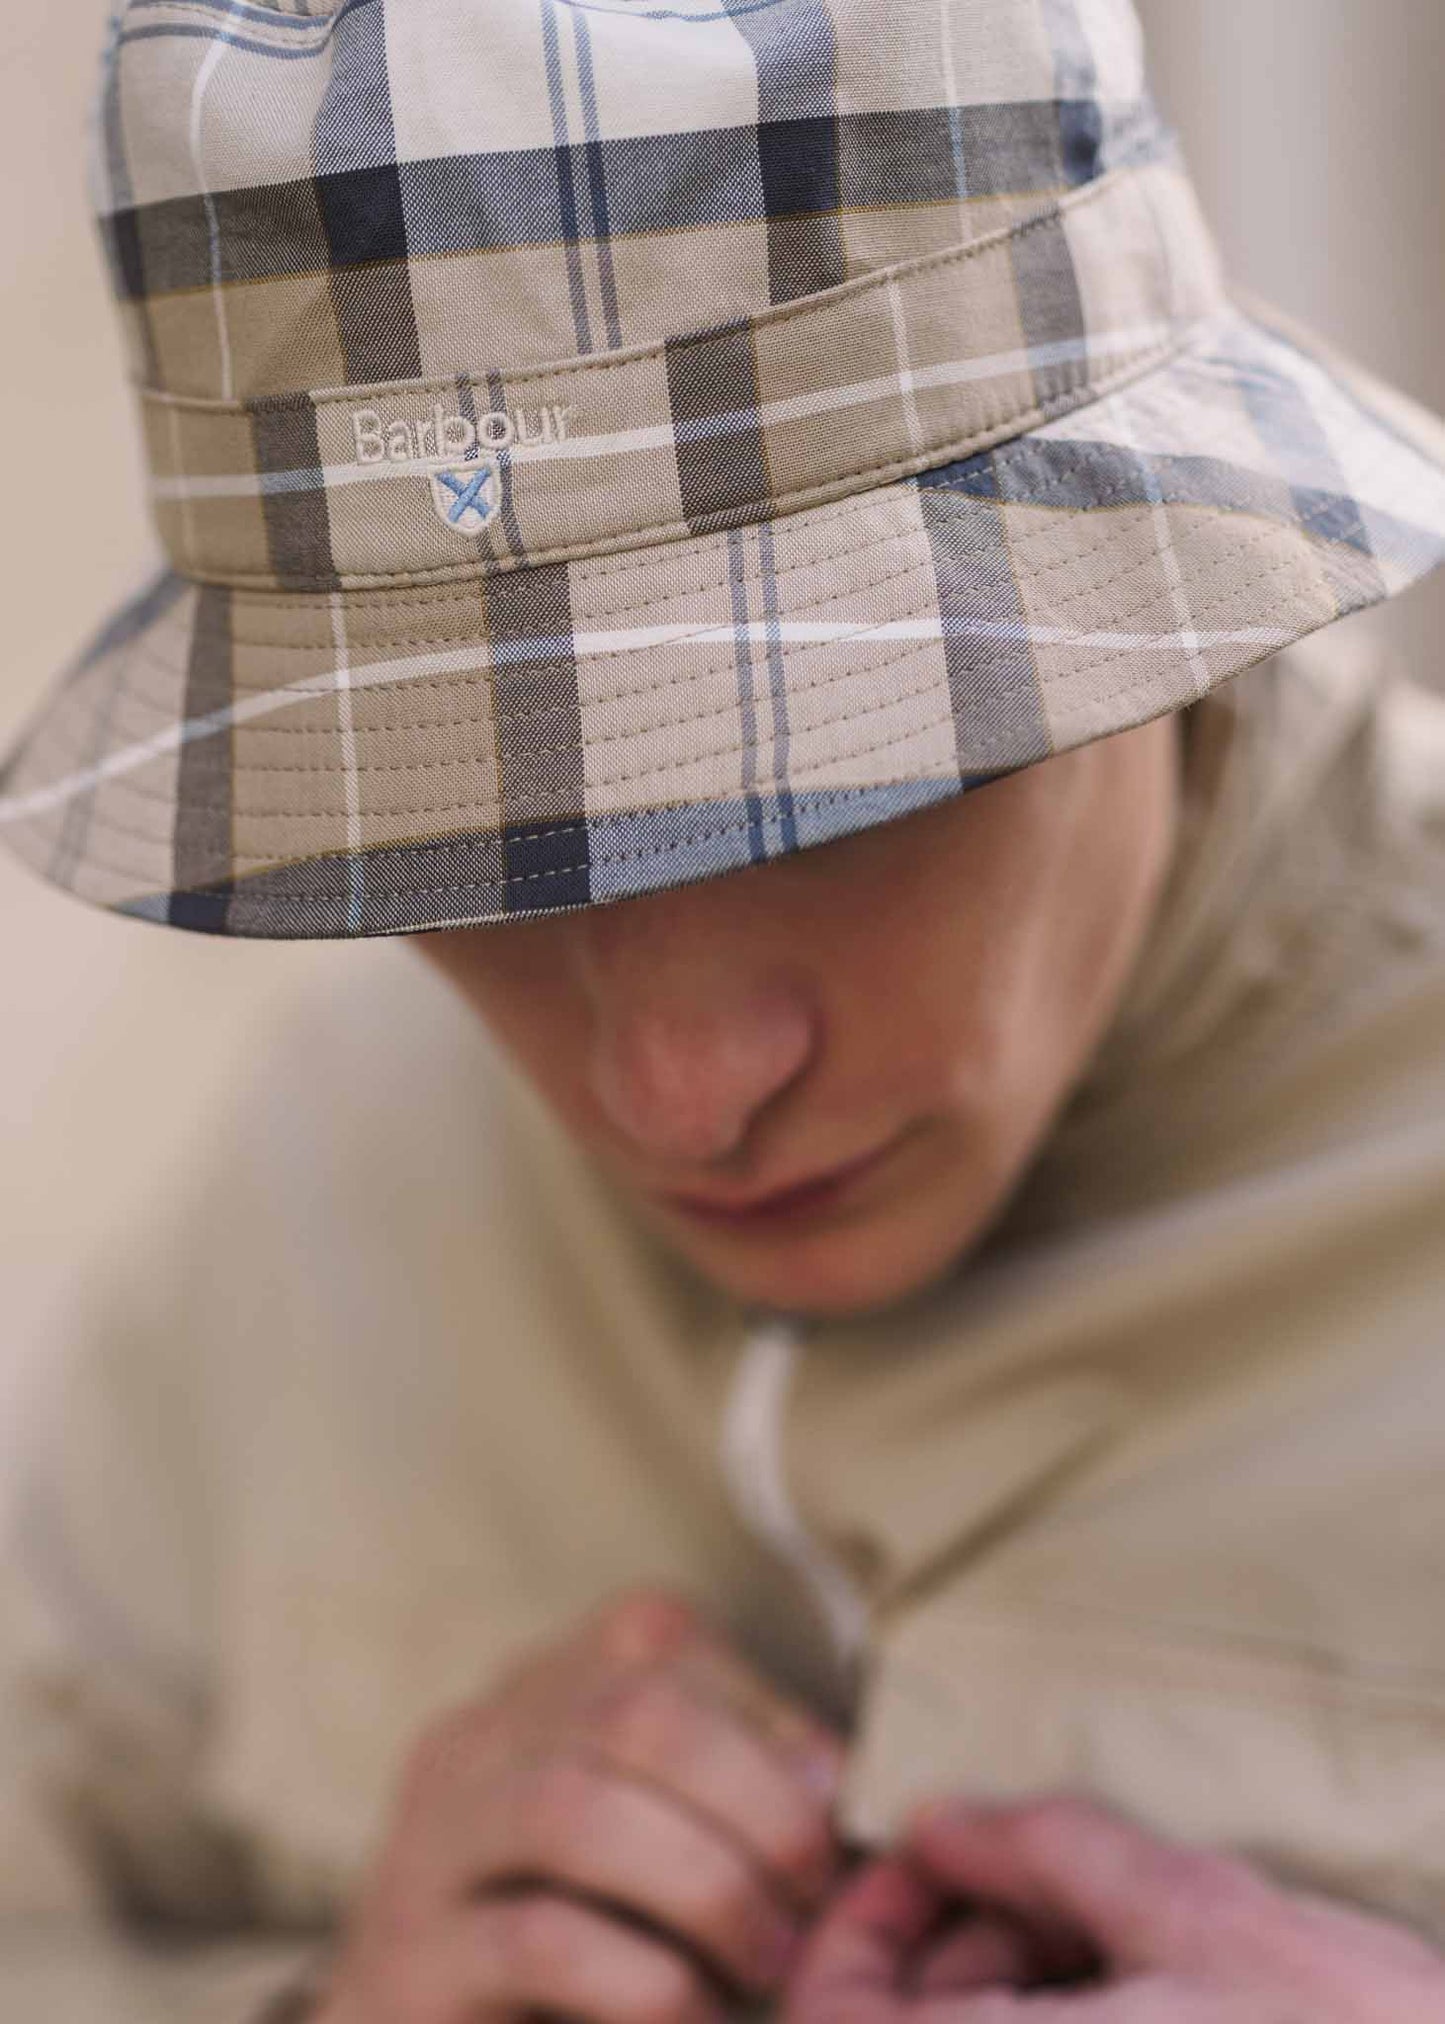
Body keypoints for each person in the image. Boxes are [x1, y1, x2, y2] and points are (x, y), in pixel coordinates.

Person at [1, 1, 1444, 2019]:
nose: (674, 1094)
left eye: (847, 785)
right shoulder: (322, 1187)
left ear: (1157, 600)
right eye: (470, 842)